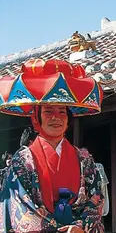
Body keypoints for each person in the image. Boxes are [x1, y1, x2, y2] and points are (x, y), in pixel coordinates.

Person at [0, 59, 105, 232]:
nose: (56, 118)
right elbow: (20, 207)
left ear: (68, 119)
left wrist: (79, 227)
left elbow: (96, 198)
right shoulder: (23, 161)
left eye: (62, 112)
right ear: (36, 118)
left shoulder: (84, 158)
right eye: (48, 112)